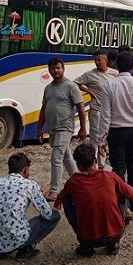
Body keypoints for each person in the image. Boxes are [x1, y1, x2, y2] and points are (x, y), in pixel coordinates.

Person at [55, 143, 133, 257]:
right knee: (122, 193)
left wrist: (59, 199)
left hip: (87, 238)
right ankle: (113, 244)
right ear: (95, 160)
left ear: (78, 165)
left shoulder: (73, 182)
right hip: (115, 234)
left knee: (67, 198)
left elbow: (61, 195)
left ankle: (86, 247)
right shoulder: (109, 175)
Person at [98, 51, 133, 217]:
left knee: (118, 171)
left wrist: (101, 140)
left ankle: (121, 206)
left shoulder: (109, 85)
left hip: (115, 134)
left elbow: (105, 115)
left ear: (115, 65)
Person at [0, 153, 60, 261]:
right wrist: (42, 197)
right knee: (54, 215)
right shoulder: (30, 185)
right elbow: (47, 214)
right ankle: (26, 249)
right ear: (25, 169)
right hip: (17, 238)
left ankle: (4, 250)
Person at [36, 57, 87, 200]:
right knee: (66, 157)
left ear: (63, 68)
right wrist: (39, 128)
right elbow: (44, 108)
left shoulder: (71, 86)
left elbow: (81, 109)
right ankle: (80, 182)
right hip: (52, 128)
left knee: (56, 157)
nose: (55, 71)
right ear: (49, 70)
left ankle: (54, 191)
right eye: (52, 68)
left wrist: (83, 129)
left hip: (65, 127)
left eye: (58, 68)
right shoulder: (48, 88)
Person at [75, 50, 119, 168]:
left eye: (99, 60)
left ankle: (105, 166)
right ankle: (96, 166)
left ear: (106, 60)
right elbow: (75, 83)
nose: (97, 62)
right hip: (97, 111)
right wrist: (89, 91)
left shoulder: (114, 73)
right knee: (96, 140)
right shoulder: (90, 75)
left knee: (109, 139)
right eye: (95, 60)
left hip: (111, 112)